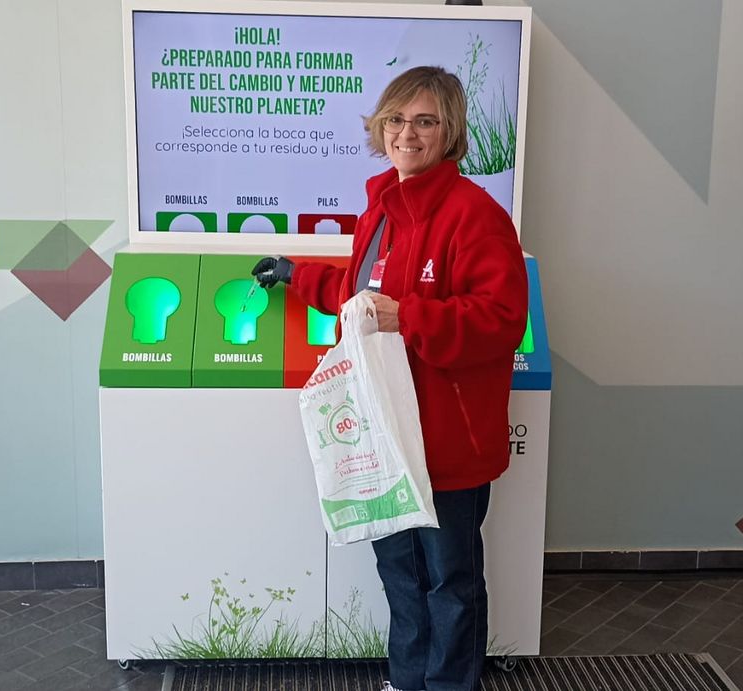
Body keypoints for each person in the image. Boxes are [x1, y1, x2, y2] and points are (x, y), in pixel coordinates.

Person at [251, 66, 528, 691]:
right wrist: (296, 275)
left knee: (451, 582)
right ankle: (406, 681)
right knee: (401, 575)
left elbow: (502, 319)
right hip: (382, 439)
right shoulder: (379, 208)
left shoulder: (475, 215)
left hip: (446, 443)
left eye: (425, 121)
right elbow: (363, 294)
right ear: (380, 128)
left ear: (450, 132)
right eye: (396, 119)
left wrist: (412, 317)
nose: (407, 133)